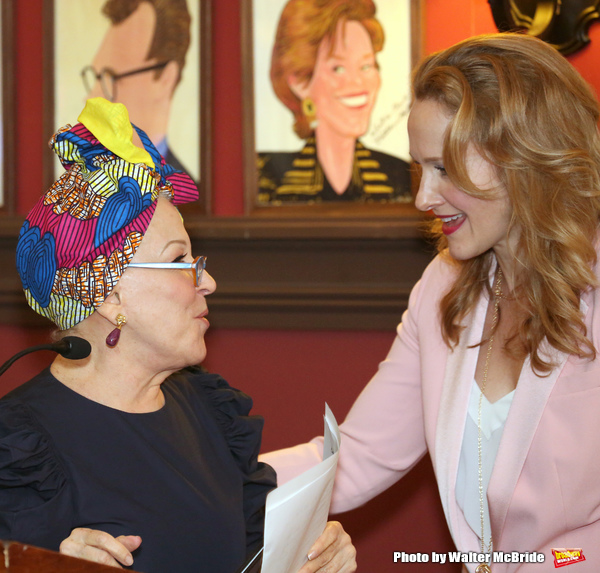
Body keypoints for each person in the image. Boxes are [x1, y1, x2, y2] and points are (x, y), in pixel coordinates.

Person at [262, 33, 600, 570]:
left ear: (524, 156)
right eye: (420, 168)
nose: (423, 197)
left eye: (445, 168)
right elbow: (359, 458)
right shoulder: (443, 286)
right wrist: (196, 484)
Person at [0, 98, 356, 573]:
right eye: (177, 261)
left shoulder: (209, 407)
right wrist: (44, 567)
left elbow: (258, 557)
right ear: (109, 296)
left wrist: (311, 558)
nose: (206, 281)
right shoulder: (18, 451)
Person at [257, 0, 412, 204]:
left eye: (366, 66)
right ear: (300, 82)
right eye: (338, 68)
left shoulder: (401, 176)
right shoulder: (263, 177)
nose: (358, 82)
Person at [82, 0, 192, 175]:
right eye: (97, 78)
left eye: (111, 78)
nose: (90, 98)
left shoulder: (189, 198)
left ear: (166, 79)